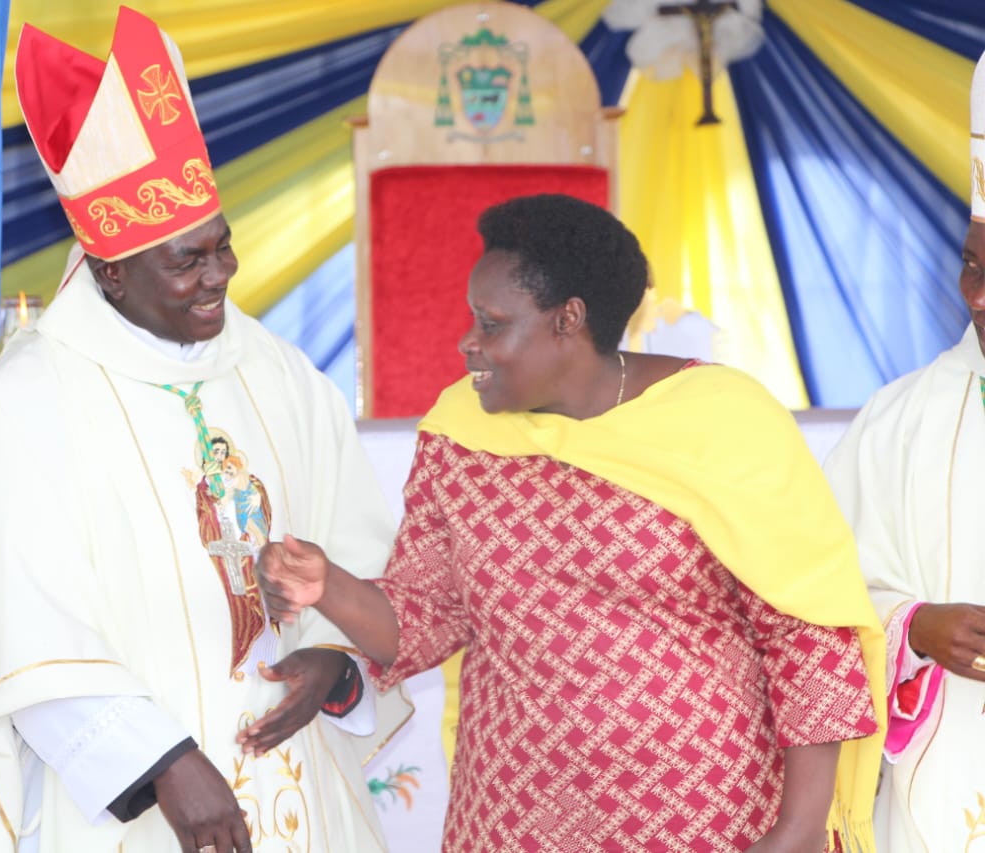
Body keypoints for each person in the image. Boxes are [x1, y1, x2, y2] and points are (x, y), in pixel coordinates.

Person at [257, 193, 888, 852]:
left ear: (569, 320)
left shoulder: (723, 420)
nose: (467, 342)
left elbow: (808, 634)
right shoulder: (461, 432)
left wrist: (798, 829)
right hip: (511, 821)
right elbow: (424, 615)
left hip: (711, 822)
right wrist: (326, 583)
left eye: (492, 322)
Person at [0, 8, 405, 853]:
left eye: (222, 247)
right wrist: (161, 763)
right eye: (187, 261)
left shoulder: (281, 376)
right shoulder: (28, 403)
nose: (220, 275)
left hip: (305, 788)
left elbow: (367, 559)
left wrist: (337, 666)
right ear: (111, 272)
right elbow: (26, 627)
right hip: (136, 812)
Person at [822, 50, 985, 853]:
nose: (978, 296)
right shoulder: (902, 420)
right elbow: (811, 601)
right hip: (949, 775)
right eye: (970, 265)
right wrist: (915, 628)